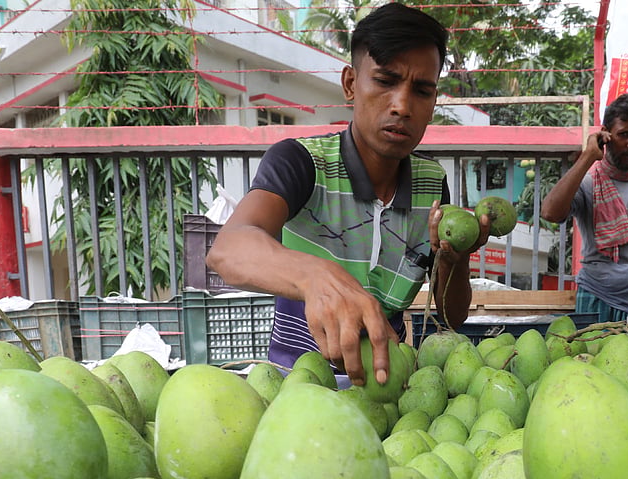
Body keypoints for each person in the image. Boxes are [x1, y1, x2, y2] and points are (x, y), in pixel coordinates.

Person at [205, 3, 489, 387]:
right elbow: (228, 250)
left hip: (387, 387)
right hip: (299, 384)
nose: (402, 106)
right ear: (351, 84)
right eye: (386, 81)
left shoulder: (432, 183)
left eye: (422, 90)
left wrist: (456, 261)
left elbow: (452, 316)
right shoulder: (301, 162)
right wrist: (315, 275)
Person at [539, 92, 628, 324]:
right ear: (606, 134)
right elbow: (550, 212)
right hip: (600, 300)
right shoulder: (589, 183)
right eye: (624, 134)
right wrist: (589, 156)